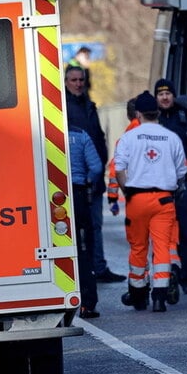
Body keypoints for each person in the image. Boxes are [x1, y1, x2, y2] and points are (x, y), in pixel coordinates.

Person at [114, 91, 186, 313]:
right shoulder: (171, 137)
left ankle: (138, 293)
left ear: (138, 113)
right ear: (157, 112)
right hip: (164, 200)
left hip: (137, 199)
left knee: (138, 247)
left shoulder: (129, 137)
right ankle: (160, 296)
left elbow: (118, 169)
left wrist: (128, 189)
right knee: (162, 247)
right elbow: (182, 170)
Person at [64, 64, 125, 284]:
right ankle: (83, 271)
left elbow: (99, 139)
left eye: (81, 80)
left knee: (95, 226)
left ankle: (98, 267)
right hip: (77, 180)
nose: (78, 84)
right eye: (74, 80)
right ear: (66, 82)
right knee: (77, 228)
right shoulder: (64, 108)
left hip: (94, 179)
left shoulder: (89, 106)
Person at [154, 78, 187, 295]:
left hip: (186, 187)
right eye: (160, 94)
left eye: (168, 94)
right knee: (161, 237)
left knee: (186, 235)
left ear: (174, 96)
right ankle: (164, 279)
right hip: (159, 189)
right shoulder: (152, 122)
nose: (165, 97)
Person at [67, 124, 103, 319]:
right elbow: (96, 167)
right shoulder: (81, 135)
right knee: (83, 250)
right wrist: (88, 181)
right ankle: (87, 304)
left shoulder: (44, 132)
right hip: (78, 195)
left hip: (51, 197)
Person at [107, 97, 140, 216]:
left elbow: (115, 168)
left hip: (135, 196)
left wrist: (112, 198)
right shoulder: (162, 134)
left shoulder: (125, 139)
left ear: (128, 115)